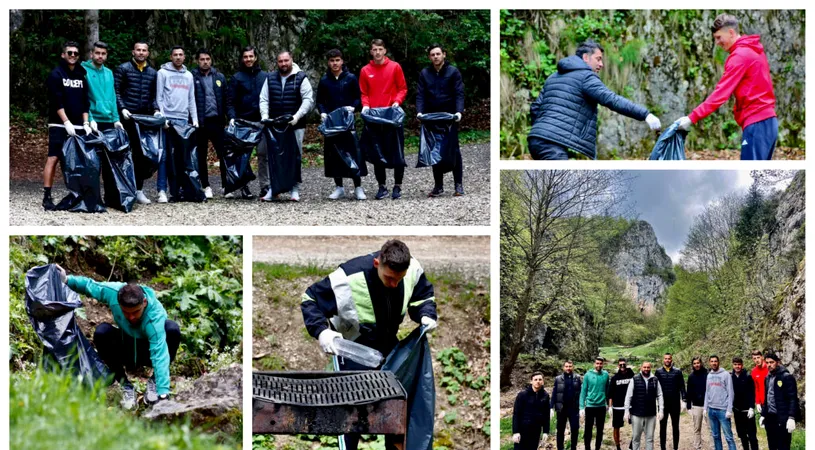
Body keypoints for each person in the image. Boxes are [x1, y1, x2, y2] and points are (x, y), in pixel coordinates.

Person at [300, 239, 438, 450]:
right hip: (352, 351)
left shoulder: (412, 270)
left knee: (395, 413)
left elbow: (422, 297)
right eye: (389, 278)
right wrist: (322, 332)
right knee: (349, 418)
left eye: (398, 280)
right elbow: (310, 299)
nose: (394, 284)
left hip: (389, 350)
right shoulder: (348, 277)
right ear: (377, 264)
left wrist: (426, 315)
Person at [57, 265, 179, 410]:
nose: (131, 317)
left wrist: (163, 393)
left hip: (148, 351)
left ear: (144, 303)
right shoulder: (113, 292)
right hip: (125, 346)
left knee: (172, 329)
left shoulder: (154, 317)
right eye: (126, 312)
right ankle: (125, 386)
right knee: (102, 332)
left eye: (136, 312)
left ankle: (155, 383)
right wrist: (66, 280)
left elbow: (159, 353)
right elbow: (91, 286)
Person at [528, 40, 661, 160]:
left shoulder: (553, 77)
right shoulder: (586, 77)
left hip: (536, 140)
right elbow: (612, 100)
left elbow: (535, 108)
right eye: (598, 59)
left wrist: (542, 132)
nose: (601, 64)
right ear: (585, 57)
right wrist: (645, 114)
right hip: (553, 145)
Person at [675, 14, 778, 160]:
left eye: (718, 37)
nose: (717, 42)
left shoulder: (740, 56)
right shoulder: (753, 50)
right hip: (768, 122)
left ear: (731, 33)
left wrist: (692, 118)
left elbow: (721, 94)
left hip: (757, 123)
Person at [259, 50, 314, 202]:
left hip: (295, 125)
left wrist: (297, 116)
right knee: (273, 157)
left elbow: (308, 100)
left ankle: (294, 189)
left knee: (295, 156)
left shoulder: (301, 77)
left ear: (292, 60)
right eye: (280, 61)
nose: (283, 64)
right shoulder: (270, 78)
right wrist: (264, 116)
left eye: (286, 60)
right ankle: (273, 189)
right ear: (277, 63)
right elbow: (263, 99)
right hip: (275, 126)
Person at [43, 41, 91, 211]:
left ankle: (77, 194)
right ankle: (47, 196)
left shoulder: (81, 75)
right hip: (59, 123)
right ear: (63, 55)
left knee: (76, 160)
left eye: (75, 54)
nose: (72, 56)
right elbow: (56, 101)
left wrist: (85, 122)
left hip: (78, 125)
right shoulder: (56, 74)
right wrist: (65, 122)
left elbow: (85, 101)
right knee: (54, 157)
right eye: (69, 53)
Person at [359, 39, 408, 200]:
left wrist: (396, 102)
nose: (378, 52)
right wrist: (365, 105)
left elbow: (402, 88)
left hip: (392, 116)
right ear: (371, 52)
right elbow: (363, 92)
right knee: (376, 152)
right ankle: (382, 186)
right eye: (375, 49)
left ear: (385, 50)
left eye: (380, 49)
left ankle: (398, 186)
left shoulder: (395, 67)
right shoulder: (366, 70)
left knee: (397, 152)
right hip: (374, 118)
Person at [416, 43, 465, 197]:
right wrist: (419, 112)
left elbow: (459, 93)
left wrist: (458, 112)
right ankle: (438, 186)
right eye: (433, 54)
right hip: (431, 118)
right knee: (434, 151)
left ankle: (458, 185)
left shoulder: (453, 72)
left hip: (450, 118)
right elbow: (421, 94)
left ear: (444, 54)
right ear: (430, 57)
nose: (436, 57)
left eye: (438, 54)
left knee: (454, 151)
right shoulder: (425, 73)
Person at [114, 41, 160, 205]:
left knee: (143, 155)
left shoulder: (153, 73)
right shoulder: (123, 68)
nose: (141, 53)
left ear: (148, 53)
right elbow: (116, 91)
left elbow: (154, 95)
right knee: (124, 154)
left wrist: (155, 109)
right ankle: (123, 190)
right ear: (133, 51)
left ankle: (139, 190)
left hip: (144, 120)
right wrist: (123, 108)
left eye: (144, 50)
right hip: (127, 118)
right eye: (138, 50)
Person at [316, 48, 365, 200]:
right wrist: (323, 112)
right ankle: (339, 187)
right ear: (328, 63)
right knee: (334, 154)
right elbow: (319, 101)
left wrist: (353, 107)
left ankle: (358, 187)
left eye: (337, 60)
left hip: (347, 122)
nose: (335, 63)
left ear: (342, 61)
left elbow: (359, 98)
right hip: (331, 122)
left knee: (353, 153)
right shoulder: (324, 81)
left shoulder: (350, 78)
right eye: (332, 61)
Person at [156, 46, 198, 203]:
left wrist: (194, 119)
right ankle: (162, 190)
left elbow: (191, 98)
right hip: (168, 120)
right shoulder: (163, 73)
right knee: (164, 155)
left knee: (181, 157)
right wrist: (162, 118)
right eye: (175, 55)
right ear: (171, 57)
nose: (178, 57)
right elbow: (159, 97)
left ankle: (179, 190)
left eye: (181, 54)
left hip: (183, 120)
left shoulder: (188, 75)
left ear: (184, 57)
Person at [225, 45, 266, 198]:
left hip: (262, 122)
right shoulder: (237, 78)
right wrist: (232, 117)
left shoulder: (265, 76)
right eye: (245, 57)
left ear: (255, 58)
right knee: (243, 157)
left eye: (251, 56)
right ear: (242, 59)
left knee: (263, 155)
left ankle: (265, 186)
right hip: (243, 122)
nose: (248, 59)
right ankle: (244, 187)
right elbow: (230, 101)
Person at [191, 48, 228, 199]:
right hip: (200, 122)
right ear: (197, 61)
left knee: (223, 154)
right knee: (201, 155)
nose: (205, 62)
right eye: (202, 59)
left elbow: (226, 98)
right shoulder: (192, 77)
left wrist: (226, 117)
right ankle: (206, 186)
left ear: (211, 60)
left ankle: (227, 186)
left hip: (217, 121)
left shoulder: (219, 77)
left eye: (207, 59)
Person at [81, 42, 123, 134]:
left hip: (109, 120)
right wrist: (90, 119)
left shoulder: (109, 73)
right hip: (92, 120)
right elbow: (82, 98)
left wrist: (116, 119)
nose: (100, 56)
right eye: (97, 53)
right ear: (91, 54)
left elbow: (113, 97)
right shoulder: (83, 71)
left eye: (103, 53)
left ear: (106, 55)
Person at [761, 353, 799, 450]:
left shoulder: (786, 377)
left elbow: (792, 398)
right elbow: (767, 397)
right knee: (772, 445)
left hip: (782, 418)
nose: (769, 365)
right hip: (770, 418)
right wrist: (763, 414)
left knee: (783, 446)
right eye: (767, 363)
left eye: (771, 362)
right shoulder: (767, 378)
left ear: (777, 363)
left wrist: (791, 417)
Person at [624, 361, 664, 450]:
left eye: (648, 367)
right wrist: (626, 412)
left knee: (650, 438)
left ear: (651, 368)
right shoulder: (634, 379)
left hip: (651, 414)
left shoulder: (655, 380)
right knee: (636, 438)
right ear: (641, 368)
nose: (646, 369)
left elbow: (660, 395)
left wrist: (661, 410)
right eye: (644, 367)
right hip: (636, 414)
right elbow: (628, 396)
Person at [704, 355, 737, 450]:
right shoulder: (709, 375)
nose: (714, 363)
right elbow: (707, 392)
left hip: (723, 410)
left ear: (718, 362)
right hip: (711, 410)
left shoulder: (725, 374)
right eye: (712, 361)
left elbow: (731, 392)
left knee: (729, 437)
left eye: (715, 361)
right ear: (709, 363)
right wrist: (705, 408)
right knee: (715, 436)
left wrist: (729, 409)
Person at [512, 372, 551, 450]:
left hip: (536, 430)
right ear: (531, 381)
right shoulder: (522, 395)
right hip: (523, 429)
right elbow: (516, 413)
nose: (538, 381)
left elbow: (546, 415)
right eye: (535, 379)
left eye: (540, 379)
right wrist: (516, 432)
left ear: (543, 381)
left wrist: (545, 431)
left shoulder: (545, 396)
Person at [654, 353, 685, 450]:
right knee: (662, 427)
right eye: (666, 359)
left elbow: (682, 386)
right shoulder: (658, 372)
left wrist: (684, 399)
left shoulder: (678, 371)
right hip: (663, 404)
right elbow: (654, 387)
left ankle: (675, 447)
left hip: (675, 403)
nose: (667, 360)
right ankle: (663, 448)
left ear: (672, 360)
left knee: (675, 426)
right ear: (663, 360)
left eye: (669, 359)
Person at [551, 360, 582, 450]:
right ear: (563, 367)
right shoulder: (558, 379)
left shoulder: (577, 378)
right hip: (561, 408)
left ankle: (573, 447)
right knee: (560, 430)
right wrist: (551, 407)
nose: (568, 368)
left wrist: (582, 406)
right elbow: (554, 393)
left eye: (570, 366)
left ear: (573, 367)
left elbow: (581, 392)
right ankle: (560, 448)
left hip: (574, 408)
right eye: (566, 366)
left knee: (575, 429)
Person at [580, 356, 609, 450]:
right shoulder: (588, 375)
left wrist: (609, 404)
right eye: (597, 363)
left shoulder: (606, 375)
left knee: (600, 430)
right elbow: (583, 391)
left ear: (603, 364)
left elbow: (607, 390)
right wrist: (581, 407)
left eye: (601, 363)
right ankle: (587, 448)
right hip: (590, 406)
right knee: (588, 429)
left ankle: (597, 448)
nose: (599, 365)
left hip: (601, 406)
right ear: (594, 364)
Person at [731, 357, 759, 450]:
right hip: (737, 411)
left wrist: (752, 407)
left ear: (742, 365)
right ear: (733, 365)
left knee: (752, 436)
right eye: (735, 364)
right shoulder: (731, 377)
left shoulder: (748, 376)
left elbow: (752, 393)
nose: (737, 366)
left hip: (747, 411)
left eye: (739, 364)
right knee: (742, 435)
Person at [608, 358, 635, 450]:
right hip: (618, 407)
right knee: (616, 427)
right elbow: (610, 393)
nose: (622, 366)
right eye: (620, 365)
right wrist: (610, 407)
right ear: (618, 366)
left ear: (626, 365)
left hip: (631, 406)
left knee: (636, 425)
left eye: (624, 364)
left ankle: (632, 445)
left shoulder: (632, 376)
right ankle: (618, 446)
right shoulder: (614, 378)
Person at [685, 356, 708, 450]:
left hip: (707, 405)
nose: (696, 365)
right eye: (694, 363)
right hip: (696, 406)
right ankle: (697, 446)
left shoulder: (707, 374)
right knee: (697, 428)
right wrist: (688, 406)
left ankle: (713, 446)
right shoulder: (691, 377)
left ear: (701, 363)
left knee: (711, 428)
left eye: (698, 363)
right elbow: (689, 391)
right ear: (692, 365)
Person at [750, 350, 769, 417]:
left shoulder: (769, 367)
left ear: (762, 357)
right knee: (766, 425)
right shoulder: (754, 371)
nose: (757, 360)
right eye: (754, 358)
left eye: (758, 357)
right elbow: (756, 388)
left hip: (772, 401)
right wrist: (757, 402)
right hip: (762, 402)